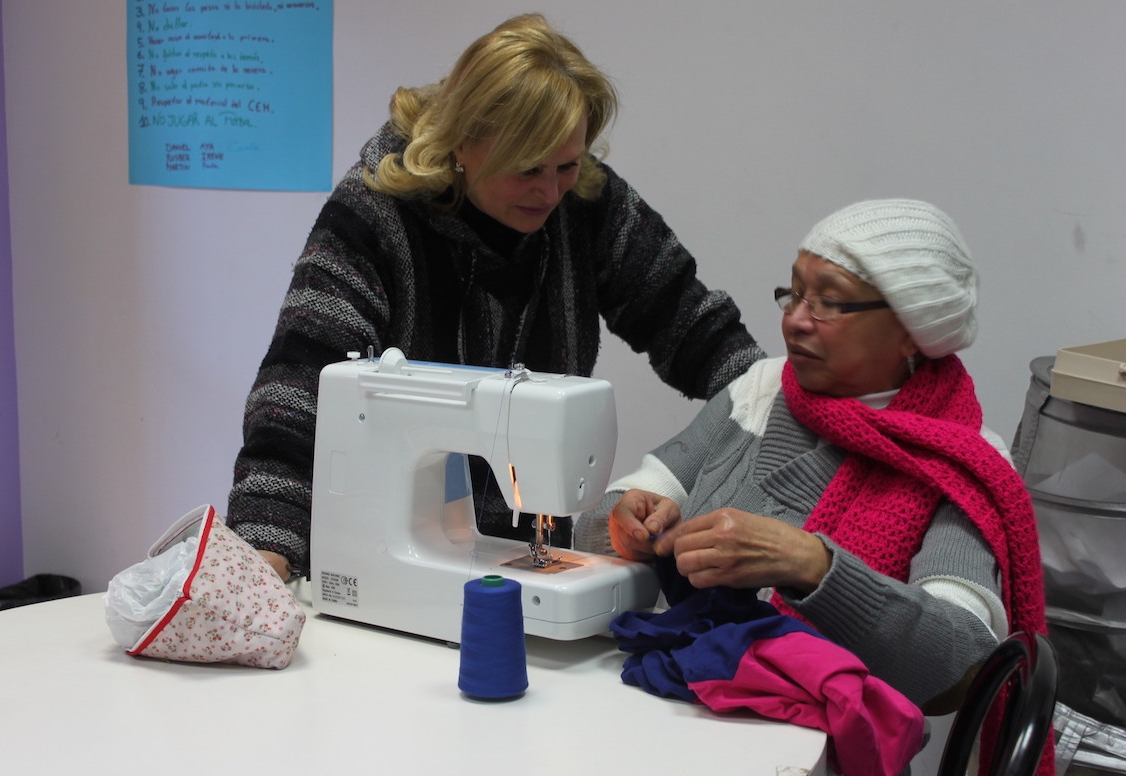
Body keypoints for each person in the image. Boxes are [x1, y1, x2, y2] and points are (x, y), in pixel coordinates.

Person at [226, 14, 764, 583]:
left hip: (518, 547)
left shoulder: (586, 204)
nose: (551, 191)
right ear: (462, 142)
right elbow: (296, 389)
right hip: (372, 545)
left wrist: (783, 416)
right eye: (527, 169)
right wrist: (267, 550)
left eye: (568, 164)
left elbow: (694, 328)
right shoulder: (375, 216)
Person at [574, 199, 1056, 776]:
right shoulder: (760, 390)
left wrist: (813, 565)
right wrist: (621, 522)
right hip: (670, 711)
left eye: (829, 302)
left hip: (818, 773)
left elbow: (956, 665)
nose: (796, 320)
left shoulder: (963, 462)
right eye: (794, 294)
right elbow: (614, 509)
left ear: (911, 326)